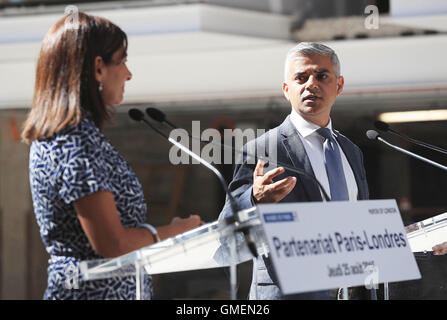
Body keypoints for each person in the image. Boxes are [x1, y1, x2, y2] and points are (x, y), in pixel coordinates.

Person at [21, 12, 203, 300]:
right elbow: (112, 243)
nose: (129, 74)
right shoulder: (75, 140)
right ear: (98, 68)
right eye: (122, 61)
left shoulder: (69, 135)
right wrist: (174, 232)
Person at [219, 42, 369, 299]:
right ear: (287, 90)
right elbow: (227, 227)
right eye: (301, 77)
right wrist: (254, 199)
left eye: (322, 76)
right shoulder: (263, 149)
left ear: (339, 86)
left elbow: (364, 222)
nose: (311, 84)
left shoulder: (350, 150)